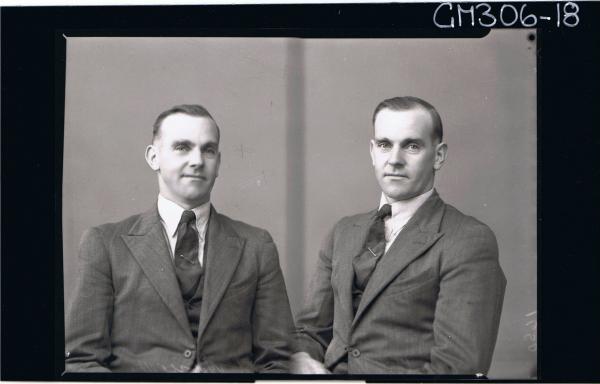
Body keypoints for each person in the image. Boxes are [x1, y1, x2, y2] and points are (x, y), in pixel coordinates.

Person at [65, 104, 295, 373]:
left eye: (208, 150)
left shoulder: (257, 246)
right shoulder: (105, 244)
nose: (197, 160)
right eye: (182, 147)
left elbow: (278, 360)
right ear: (153, 157)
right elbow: (81, 360)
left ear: (218, 163)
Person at [292, 96, 506, 375]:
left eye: (412, 146)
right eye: (384, 145)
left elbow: (455, 370)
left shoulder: (467, 241)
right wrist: (299, 358)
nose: (394, 159)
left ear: (438, 156)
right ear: (372, 151)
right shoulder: (343, 232)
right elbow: (310, 332)